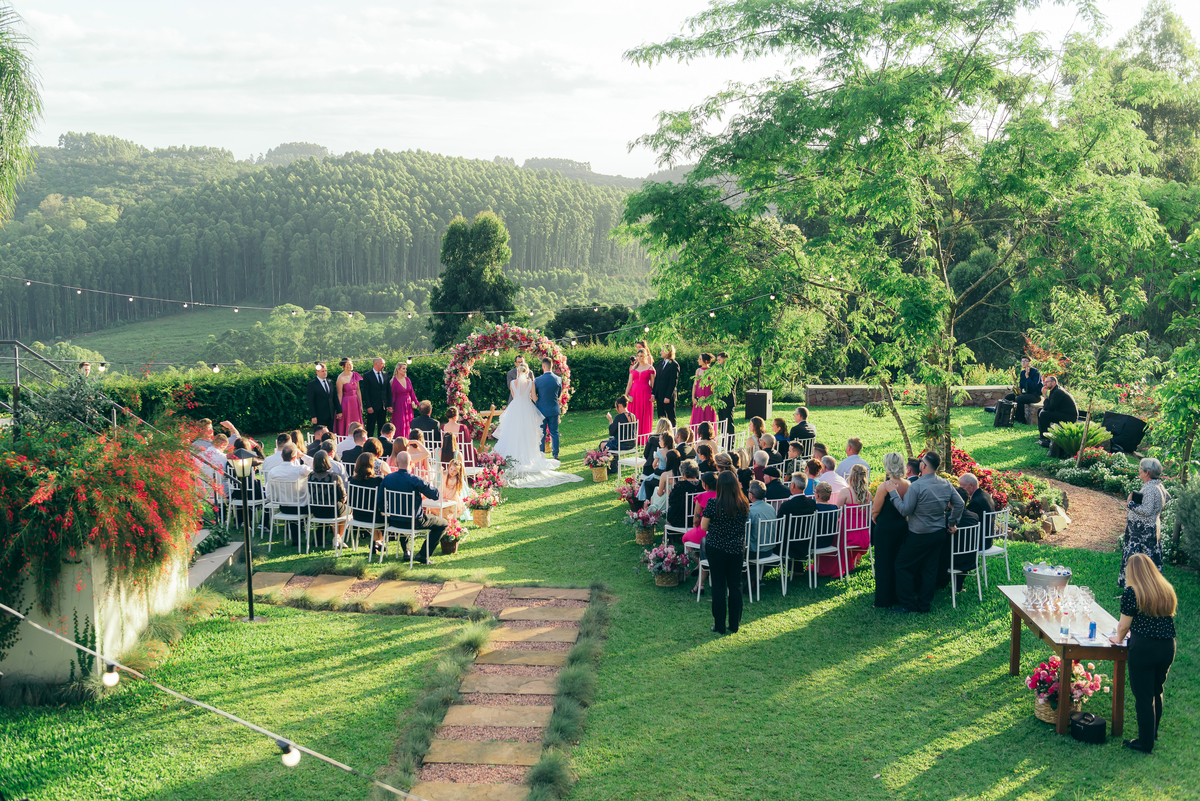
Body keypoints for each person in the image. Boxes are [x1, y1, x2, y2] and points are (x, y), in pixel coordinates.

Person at [1112, 553, 1177, 754]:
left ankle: (1145, 743)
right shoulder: (1165, 589)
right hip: (1167, 646)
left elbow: (1124, 625)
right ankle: (1152, 733)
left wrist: (1117, 639)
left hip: (1144, 648)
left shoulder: (1133, 592)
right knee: (1157, 690)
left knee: (1143, 695)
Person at [887, 452, 964, 614]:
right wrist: (951, 522)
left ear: (923, 466)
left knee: (902, 566)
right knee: (930, 569)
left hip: (918, 534)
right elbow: (960, 503)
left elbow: (905, 510)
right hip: (938, 533)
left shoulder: (917, 486)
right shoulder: (945, 483)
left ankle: (907, 604)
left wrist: (893, 493)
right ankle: (924, 605)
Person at [494, 361, 582, 487]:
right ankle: (542, 455)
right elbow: (534, 398)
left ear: (518, 371)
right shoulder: (531, 383)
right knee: (530, 433)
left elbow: (514, 396)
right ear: (528, 371)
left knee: (513, 432)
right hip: (528, 409)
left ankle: (511, 458)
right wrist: (530, 396)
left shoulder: (513, 383)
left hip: (515, 409)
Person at [376, 451, 448, 564]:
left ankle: (407, 552)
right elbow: (435, 495)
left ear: (396, 462)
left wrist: (389, 512)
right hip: (415, 521)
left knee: (403, 515)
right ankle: (423, 555)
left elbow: (380, 501)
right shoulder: (415, 479)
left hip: (394, 521)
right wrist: (428, 484)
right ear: (410, 463)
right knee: (443, 524)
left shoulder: (387, 479)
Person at [701, 472, 750, 634]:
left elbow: (703, 527)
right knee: (735, 586)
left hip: (716, 548)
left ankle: (720, 625)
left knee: (719, 586)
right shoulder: (743, 503)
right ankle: (734, 624)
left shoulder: (713, 504)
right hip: (736, 548)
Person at [1119, 458, 1169, 588]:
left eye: (1140, 469)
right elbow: (1165, 499)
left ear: (1147, 472)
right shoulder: (1158, 486)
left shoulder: (1150, 489)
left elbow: (1146, 510)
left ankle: (1135, 590)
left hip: (1141, 535)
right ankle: (1144, 589)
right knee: (1149, 561)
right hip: (1149, 531)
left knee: (1138, 563)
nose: (1139, 471)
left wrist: (1131, 503)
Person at [872, 453, 910, 609]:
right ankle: (897, 596)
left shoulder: (884, 487)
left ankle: (883, 600)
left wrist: (874, 517)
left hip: (885, 528)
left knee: (883, 563)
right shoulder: (908, 485)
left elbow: (875, 509)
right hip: (902, 527)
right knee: (897, 562)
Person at [308, 451, 349, 548]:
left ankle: (337, 538)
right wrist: (344, 499)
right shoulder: (334, 476)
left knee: (341, 510)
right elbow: (343, 497)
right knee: (348, 512)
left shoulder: (310, 476)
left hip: (316, 510)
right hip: (333, 510)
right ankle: (339, 537)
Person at [778, 473, 818, 571]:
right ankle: (797, 570)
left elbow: (779, 526)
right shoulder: (812, 503)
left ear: (793, 485)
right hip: (806, 542)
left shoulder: (787, 505)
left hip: (788, 545)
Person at [349, 453, 386, 554]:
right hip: (373, 517)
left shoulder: (352, 480)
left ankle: (376, 541)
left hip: (357, 516)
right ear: (372, 465)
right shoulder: (378, 481)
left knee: (376, 513)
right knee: (384, 515)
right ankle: (378, 541)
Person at [625, 347, 656, 441]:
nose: (639, 357)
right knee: (633, 414)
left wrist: (654, 395)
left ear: (646, 356)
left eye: (641, 355)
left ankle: (643, 438)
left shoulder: (651, 368)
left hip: (645, 393)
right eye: (638, 356)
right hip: (634, 393)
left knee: (644, 414)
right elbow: (630, 383)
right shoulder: (633, 367)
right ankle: (633, 438)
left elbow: (654, 384)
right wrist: (625, 395)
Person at [958, 472, 996, 549]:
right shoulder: (985, 495)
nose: (960, 490)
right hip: (987, 539)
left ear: (971, 485)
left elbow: (967, 520)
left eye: (962, 487)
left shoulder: (976, 502)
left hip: (980, 542)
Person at [534, 357, 563, 459]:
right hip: (554, 409)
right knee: (554, 432)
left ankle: (542, 454)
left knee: (542, 433)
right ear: (552, 366)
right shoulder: (559, 379)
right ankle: (555, 454)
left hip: (541, 410)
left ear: (543, 366)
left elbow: (535, 396)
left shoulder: (537, 380)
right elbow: (559, 394)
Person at [1037, 375, 1078, 446]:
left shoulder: (1057, 392)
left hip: (1069, 416)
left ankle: (1046, 438)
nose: (1045, 384)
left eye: (1047, 382)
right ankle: (1042, 435)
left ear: (1053, 383)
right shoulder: (1054, 390)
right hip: (1062, 412)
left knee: (1044, 415)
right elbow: (1049, 405)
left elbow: (1050, 408)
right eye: (1044, 382)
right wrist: (1043, 409)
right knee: (1040, 410)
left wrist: (1045, 395)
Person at [361, 357, 393, 439]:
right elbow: (365, 392)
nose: (384, 366)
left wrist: (389, 404)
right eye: (382, 364)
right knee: (370, 427)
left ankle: (381, 443)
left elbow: (388, 390)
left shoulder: (385, 374)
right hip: (372, 406)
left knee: (382, 427)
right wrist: (368, 406)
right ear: (376, 364)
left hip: (383, 405)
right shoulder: (367, 375)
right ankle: (369, 443)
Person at [1005, 356, 1043, 424]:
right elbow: (1021, 385)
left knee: (1019, 399)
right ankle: (1008, 415)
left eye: (1025, 361)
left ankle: (1021, 419)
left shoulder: (1036, 372)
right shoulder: (1022, 372)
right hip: (1027, 393)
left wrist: (1027, 376)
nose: (1023, 362)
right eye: (1022, 361)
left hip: (1035, 395)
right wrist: (1017, 390)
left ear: (1030, 363)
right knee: (1008, 397)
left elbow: (1034, 386)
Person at [602, 396, 637, 469]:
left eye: (616, 406)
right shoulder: (633, 416)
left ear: (620, 405)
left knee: (603, 444)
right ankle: (613, 466)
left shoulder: (619, 417)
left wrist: (610, 420)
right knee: (608, 442)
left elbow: (611, 432)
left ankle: (608, 467)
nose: (616, 408)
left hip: (621, 444)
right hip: (631, 443)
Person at [667, 460, 703, 529]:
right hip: (699, 519)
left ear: (684, 473)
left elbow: (671, 501)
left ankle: (667, 538)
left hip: (681, 520)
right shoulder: (702, 484)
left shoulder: (680, 485)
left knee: (671, 513)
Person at [747, 480, 778, 558]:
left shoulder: (751, 511)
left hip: (755, 551)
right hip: (770, 549)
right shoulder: (771, 508)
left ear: (751, 495)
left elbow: (746, 533)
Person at [334, 358, 364, 436]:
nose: (350, 366)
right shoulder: (340, 378)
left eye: (351, 364)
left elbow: (358, 390)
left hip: (355, 402)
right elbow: (340, 395)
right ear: (343, 366)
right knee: (347, 422)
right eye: (348, 365)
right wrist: (339, 410)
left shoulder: (355, 375)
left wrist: (361, 405)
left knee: (357, 422)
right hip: (346, 403)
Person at [307, 363, 341, 430]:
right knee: (320, 436)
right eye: (322, 371)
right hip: (319, 416)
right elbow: (310, 401)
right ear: (317, 372)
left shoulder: (330, 382)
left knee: (330, 435)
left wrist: (339, 410)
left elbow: (334, 397)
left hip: (330, 415)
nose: (325, 372)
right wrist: (313, 416)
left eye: (325, 370)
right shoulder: (312, 384)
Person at [390, 362, 419, 440]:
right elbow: (392, 395)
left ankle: (409, 440)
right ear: (398, 369)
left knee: (409, 423)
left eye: (405, 369)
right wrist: (391, 406)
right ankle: (399, 442)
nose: (405, 370)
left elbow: (412, 393)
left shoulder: (407, 379)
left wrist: (416, 402)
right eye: (403, 369)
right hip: (399, 405)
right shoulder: (393, 381)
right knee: (400, 423)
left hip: (408, 405)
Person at [653, 345, 680, 425]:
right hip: (659, 394)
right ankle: (662, 434)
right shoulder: (660, 363)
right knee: (661, 417)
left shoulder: (674, 365)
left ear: (668, 352)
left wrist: (668, 396)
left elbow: (673, 382)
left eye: (662, 350)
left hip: (668, 395)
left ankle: (673, 434)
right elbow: (657, 379)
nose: (661, 352)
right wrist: (653, 393)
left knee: (671, 417)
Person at [690, 353, 717, 426]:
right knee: (697, 416)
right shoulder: (698, 371)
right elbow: (695, 385)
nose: (698, 360)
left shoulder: (712, 371)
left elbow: (714, 386)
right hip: (699, 397)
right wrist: (693, 397)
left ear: (705, 361)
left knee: (708, 417)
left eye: (700, 359)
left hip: (709, 397)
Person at [439, 454, 469, 520]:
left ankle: (450, 519)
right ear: (449, 467)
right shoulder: (446, 474)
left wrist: (450, 498)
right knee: (441, 504)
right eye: (451, 469)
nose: (452, 472)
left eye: (454, 470)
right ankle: (443, 518)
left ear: (457, 472)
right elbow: (443, 472)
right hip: (444, 492)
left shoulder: (456, 479)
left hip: (451, 495)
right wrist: (441, 470)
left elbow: (455, 490)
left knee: (450, 507)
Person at [715, 351, 737, 438]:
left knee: (729, 423)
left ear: (725, 360)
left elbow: (731, 384)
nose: (718, 362)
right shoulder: (717, 370)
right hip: (719, 400)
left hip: (728, 400)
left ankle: (730, 443)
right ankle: (724, 442)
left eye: (719, 360)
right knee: (722, 423)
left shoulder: (732, 370)